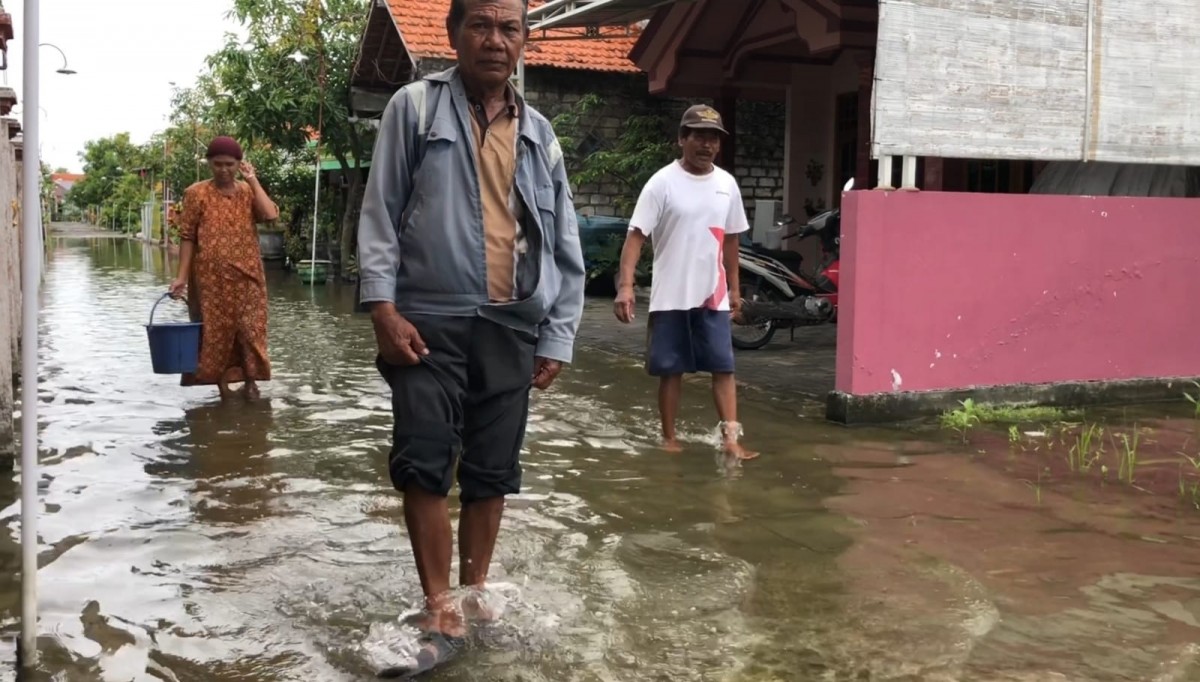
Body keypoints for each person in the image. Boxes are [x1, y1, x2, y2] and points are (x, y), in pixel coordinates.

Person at [355, 0, 585, 675]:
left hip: (511, 324)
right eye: (480, 25)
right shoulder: (414, 109)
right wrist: (382, 306)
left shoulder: (541, 133)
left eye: (509, 28)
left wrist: (558, 335)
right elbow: (380, 211)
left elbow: (564, 241)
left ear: (524, 42)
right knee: (424, 458)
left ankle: (478, 595)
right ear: (454, 35)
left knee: (492, 472)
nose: (495, 40)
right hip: (425, 319)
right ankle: (439, 606)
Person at [613, 104, 757, 460]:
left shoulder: (727, 184)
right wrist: (626, 286)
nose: (706, 145)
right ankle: (668, 437)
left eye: (713, 138)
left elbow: (732, 240)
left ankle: (731, 439)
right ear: (682, 139)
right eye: (699, 136)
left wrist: (736, 290)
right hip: (670, 294)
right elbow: (636, 237)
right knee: (671, 370)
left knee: (724, 367)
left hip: (713, 295)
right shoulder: (662, 182)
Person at [169, 136, 279, 400]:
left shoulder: (246, 192)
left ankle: (251, 381)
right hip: (210, 279)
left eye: (230, 164)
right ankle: (222, 384)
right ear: (209, 163)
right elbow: (188, 237)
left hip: (248, 276)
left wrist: (252, 179)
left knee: (251, 329)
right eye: (217, 164)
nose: (223, 169)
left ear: (239, 164)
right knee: (216, 331)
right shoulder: (196, 194)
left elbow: (271, 215)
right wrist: (181, 277)